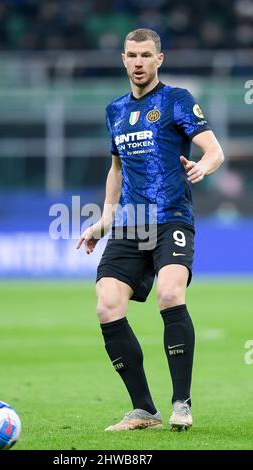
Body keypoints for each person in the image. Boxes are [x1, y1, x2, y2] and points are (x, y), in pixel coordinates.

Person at [77, 28, 224, 432]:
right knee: (107, 303)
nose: (138, 61)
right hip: (130, 224)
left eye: (145, 54)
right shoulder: (115, 110)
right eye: (131, 55)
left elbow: (214, 150)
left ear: (160, 59)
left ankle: (181, 403)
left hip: (172, 217)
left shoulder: (177, 100)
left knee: (170, 292)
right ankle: (145, 410)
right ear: (123, 59)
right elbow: (117, 168)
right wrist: (104, 220)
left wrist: (202, 166)